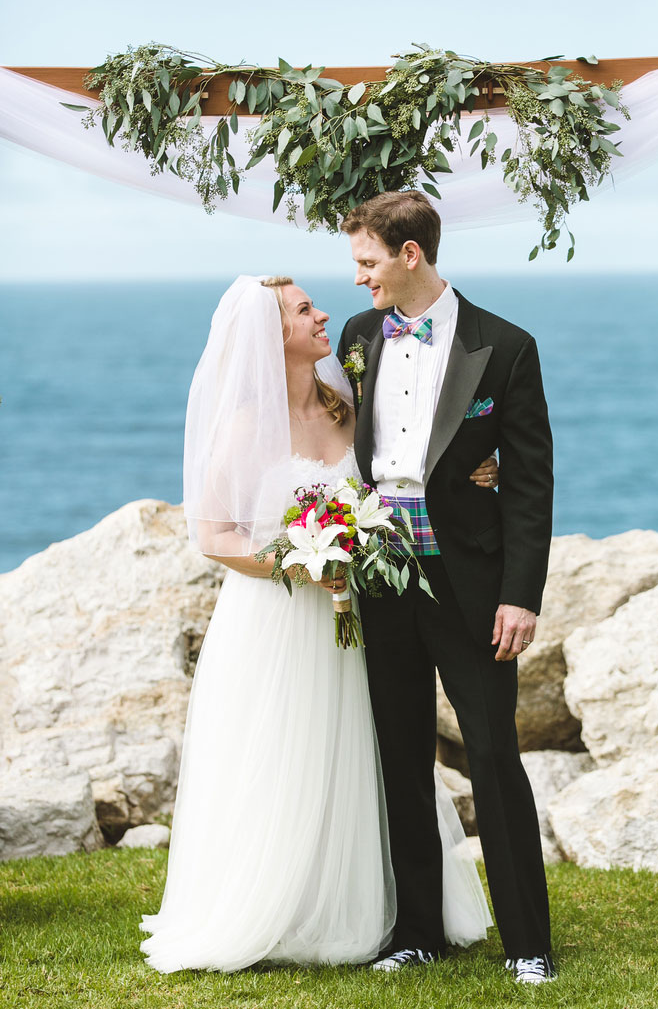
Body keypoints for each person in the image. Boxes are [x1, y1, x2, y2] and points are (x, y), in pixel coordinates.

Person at [138, 274, 498, 973]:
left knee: (362, 754)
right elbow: (211, 535)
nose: (324, 312)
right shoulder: (245, 423)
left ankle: (374, 904)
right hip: (277, 619)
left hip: (356, 616)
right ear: (272, 336)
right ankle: (278, 906)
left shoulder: (346, 404)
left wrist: (478, 467)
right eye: (305, 310)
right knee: (281, 754)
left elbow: (406, 464)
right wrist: (298, 566)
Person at [337, 191, 556, 985]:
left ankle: (529, 945)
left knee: (495, 755)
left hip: (470, 581)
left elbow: (530, 480)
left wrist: (521, 594)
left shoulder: (505, 347)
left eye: (367, 263)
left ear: (410, 256)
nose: (359, 280)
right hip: (380, 577)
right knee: (399, 756)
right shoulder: (361, 337)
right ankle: (417, 931)